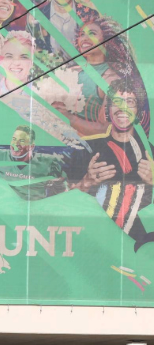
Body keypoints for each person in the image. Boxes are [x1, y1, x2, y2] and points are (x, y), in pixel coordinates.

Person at [65, 81, 154, 250]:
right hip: (94, 242)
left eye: (130, 102)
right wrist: (86, 183)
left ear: (139, 112)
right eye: (116, 102)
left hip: (140, 247)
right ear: (108, 110)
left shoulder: (150, 153)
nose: (123, 108)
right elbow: (61, 203)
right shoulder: (85, 150)